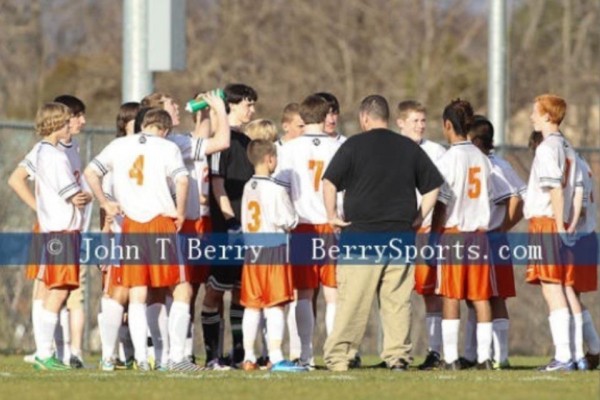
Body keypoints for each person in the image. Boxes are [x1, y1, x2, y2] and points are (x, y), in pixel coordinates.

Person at [322, 95, 443, 371]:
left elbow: (329, 182)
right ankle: (397, 358)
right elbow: (433, 185)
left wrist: (331, 215)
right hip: (400, 236)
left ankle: (340, 358)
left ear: (365, 117)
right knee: (397, 302)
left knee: (353, 302)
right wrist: (419, 217)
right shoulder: (408, 147)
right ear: (387, 118)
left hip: (361, 236)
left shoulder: (353, 145)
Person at [85, 109, 203, 372]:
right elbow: (182, 181)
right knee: (182, 289)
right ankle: (176, 358)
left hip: (131, 226)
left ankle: (142, 358)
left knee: (138, 292)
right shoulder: (166, 147)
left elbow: (90, 172)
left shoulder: (118, 145)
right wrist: (181, 212)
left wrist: (105, 202)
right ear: (164, 130)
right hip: (160, 223)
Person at [430, 99, 498, 370]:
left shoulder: (449, 159)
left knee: (451, 295)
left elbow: (441, 202)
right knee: (481, 297)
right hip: (480, 235)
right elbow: (490, 196)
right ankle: (483, 358)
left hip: (455, 234)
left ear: (448, 125)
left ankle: (450, 358)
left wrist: (435, 234)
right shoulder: (482, 158)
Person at [276, 94, 341, 369]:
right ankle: (336, 353)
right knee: (333, 292)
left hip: (301, 225)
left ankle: (305, 355)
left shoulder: (288, 149)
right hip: (333, 224)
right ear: (326, 114)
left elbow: (280, 189)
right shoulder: (341, 146)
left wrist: (286, 219)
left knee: (303, 292)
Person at [239, 139, 307, 372]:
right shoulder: (276, 188)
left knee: (252, 305)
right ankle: (276, 356)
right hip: (273, 249)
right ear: (270, 159)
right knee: (275, 305)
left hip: (252, 251)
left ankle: (249, 356)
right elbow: (288, 220)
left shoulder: (248, 187)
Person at [523, 94, 580, 371]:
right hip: (560, 220)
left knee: (552, 287)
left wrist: (557, 225)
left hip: (547, 222)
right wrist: (568, 221)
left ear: (547, 115)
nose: (532, 116)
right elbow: (577, 188)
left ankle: (564, 356)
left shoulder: (547, 148)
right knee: (558, 286)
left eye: (535, 112)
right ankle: (569, 354)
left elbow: (555, 189)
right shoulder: (567, 146)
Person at [202, 83, 257, 369]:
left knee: (239, 292)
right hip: (225, 229)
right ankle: (212, 355)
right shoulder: (222, 141)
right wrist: (230, 220)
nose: (252, 109)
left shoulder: (247, 142)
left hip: (245, 229)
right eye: (248, 104)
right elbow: (217, 183)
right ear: (232, 106)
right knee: (214, 292)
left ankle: (237, 353)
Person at [30, 102, 86, 370]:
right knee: (59, 291)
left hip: (55, 229)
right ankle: (44, 352)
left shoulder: (42, 152)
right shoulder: (54, 155)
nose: (69, 127)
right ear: (54, 125)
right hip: (62, 230)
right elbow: (72, 194)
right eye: (65, 123)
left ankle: (44, 351)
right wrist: (84, 196)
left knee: (54, 289)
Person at [469, 115, 526, 370]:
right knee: (490, 296)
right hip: (493, 237)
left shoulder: (490, 166)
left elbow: (516, 199)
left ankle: (493, 357)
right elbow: (521, 195)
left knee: (488, 296)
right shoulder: (501, 163)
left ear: (477, 140)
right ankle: (493, 356)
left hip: (488, 237)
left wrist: (503, 226)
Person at [396, 100, 446, 370]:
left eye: (423, 121)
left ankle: (435, 351)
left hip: (425, 230)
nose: (420, 126)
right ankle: (396, 352)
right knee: (395, 292)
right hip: (397, 231)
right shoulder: (392, 149)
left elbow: (442, 194)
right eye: (415, 121)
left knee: (430, 293)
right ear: (400, 123)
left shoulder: (436, 152)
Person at [96, 102, 140, 371]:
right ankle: (108, 355)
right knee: (116, 295)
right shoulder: (115, 155)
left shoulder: (147, 152)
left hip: (145, 233)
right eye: (137, 122)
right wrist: (104, 242)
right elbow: (106, 206)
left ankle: (136, 354)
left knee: (140, 296)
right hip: (120, 237)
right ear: (125, 124)